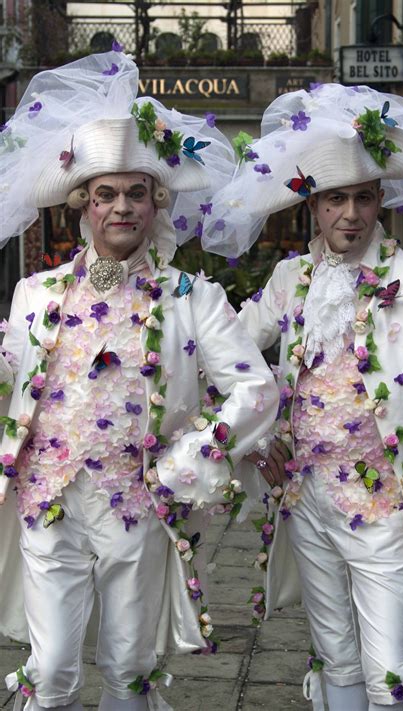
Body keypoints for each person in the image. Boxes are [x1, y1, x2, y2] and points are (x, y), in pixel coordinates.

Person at [0, 50, 278, 711]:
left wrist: (192, 453)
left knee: (129, 670)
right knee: (53, 671)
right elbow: (14, 374)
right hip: (49, 502)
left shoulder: (192, 295)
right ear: (83, 204)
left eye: (136, 192)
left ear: (158, 203)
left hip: (138, 506)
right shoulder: (34, 294)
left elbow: (257, 390)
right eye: (105, 194)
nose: (121, 206)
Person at [202, 84, 403, 710]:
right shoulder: (289, 278)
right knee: (335, 657)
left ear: (381, 200)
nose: (349, 213)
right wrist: (255, 437)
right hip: (308, 501)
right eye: (334, 199)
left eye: (362, 197)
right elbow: (230, 355)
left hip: (385, 507)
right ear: (313, 206)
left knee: (391, 675)